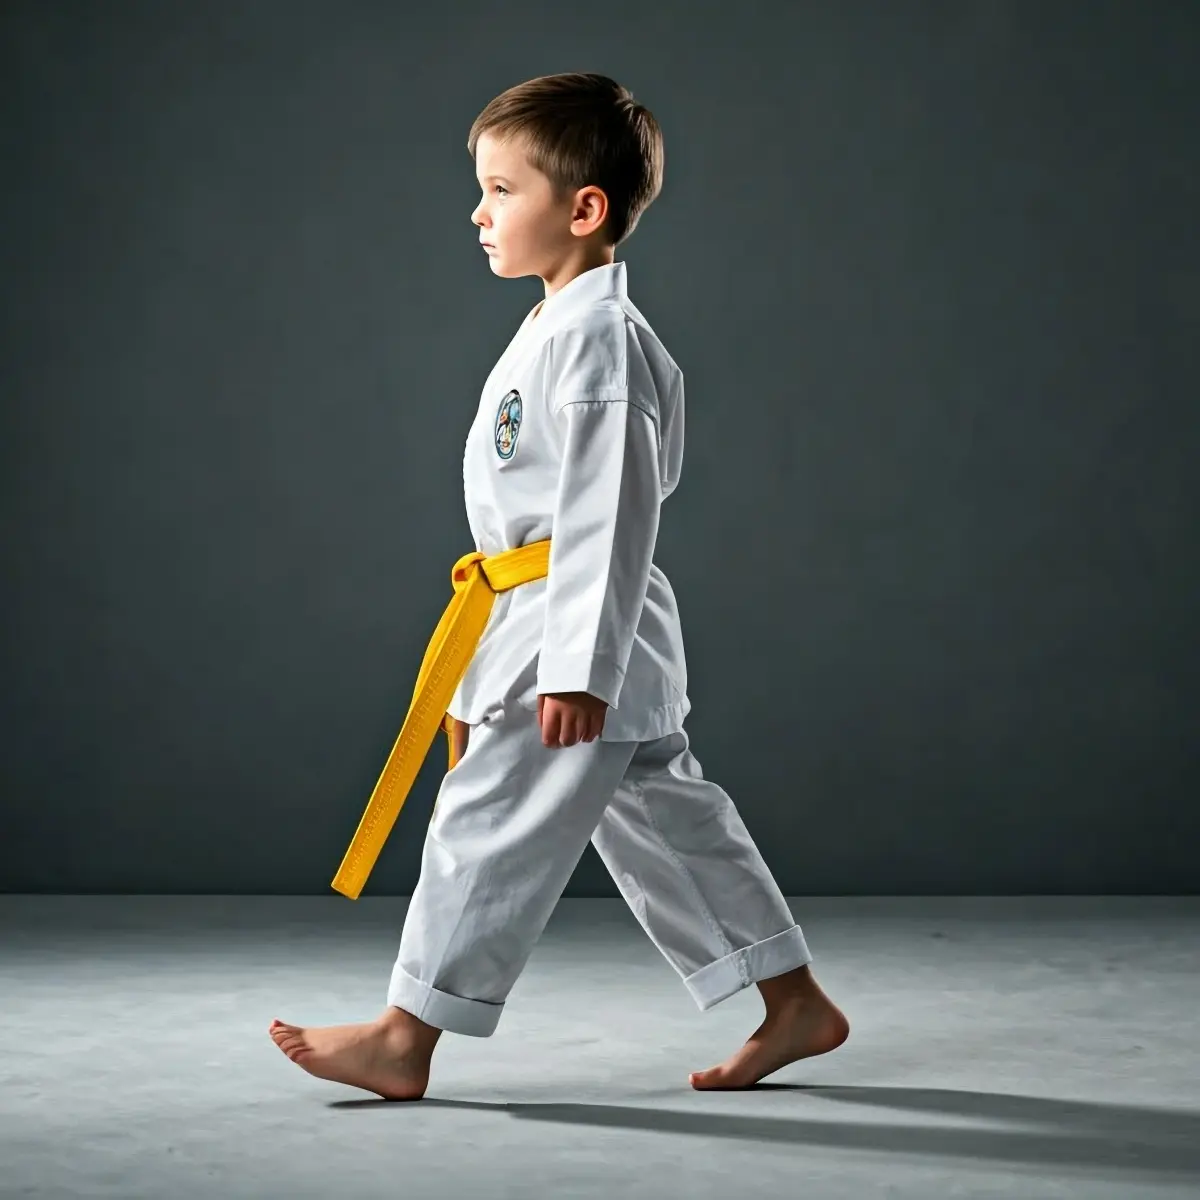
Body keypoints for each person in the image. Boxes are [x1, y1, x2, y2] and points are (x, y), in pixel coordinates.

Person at [270, 72, 848, 1100]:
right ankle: (792, 998)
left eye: (501, 190)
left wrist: (582, 664)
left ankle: (408, 1036)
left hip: (570, 627)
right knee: (670, 823)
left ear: (583, 211)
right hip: (556, 615)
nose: (478, 211)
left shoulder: (595, 342)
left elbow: (610, 513)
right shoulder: (567, 326)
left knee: (484, 820)